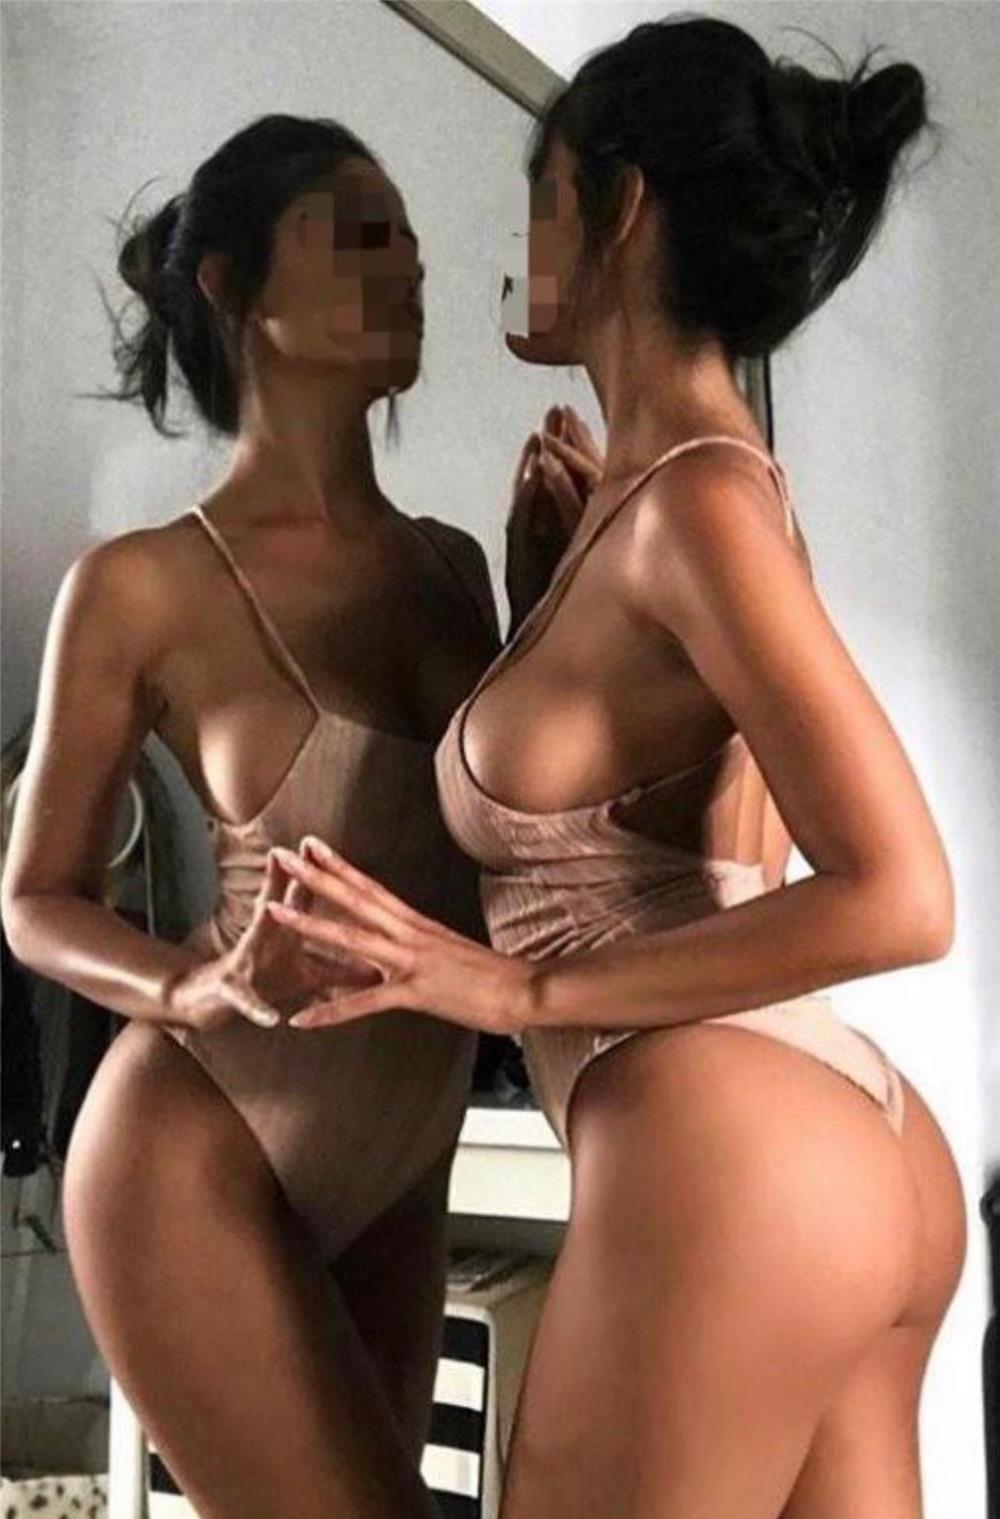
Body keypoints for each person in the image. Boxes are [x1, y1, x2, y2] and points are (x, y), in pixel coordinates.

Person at [267, 19, 968, 1516]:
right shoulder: (684, 500)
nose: (520, 245)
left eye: (543, 197)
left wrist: (514, 992)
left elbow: (903, 895)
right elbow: (712, 850)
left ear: (622, 207)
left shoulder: (695, 510)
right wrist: (541, 615)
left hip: (727, 1157)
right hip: (838, 1152)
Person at [0, 114, 512, 1519]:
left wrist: (555, 597)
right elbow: (33, 899)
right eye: (358, 233)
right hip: (195, 1139)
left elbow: (519, 859)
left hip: (405, 1148)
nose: (407, 263)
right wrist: (199, 980)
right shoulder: (140, 586)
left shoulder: (458, 568)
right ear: (231, 285)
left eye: (410, 237)